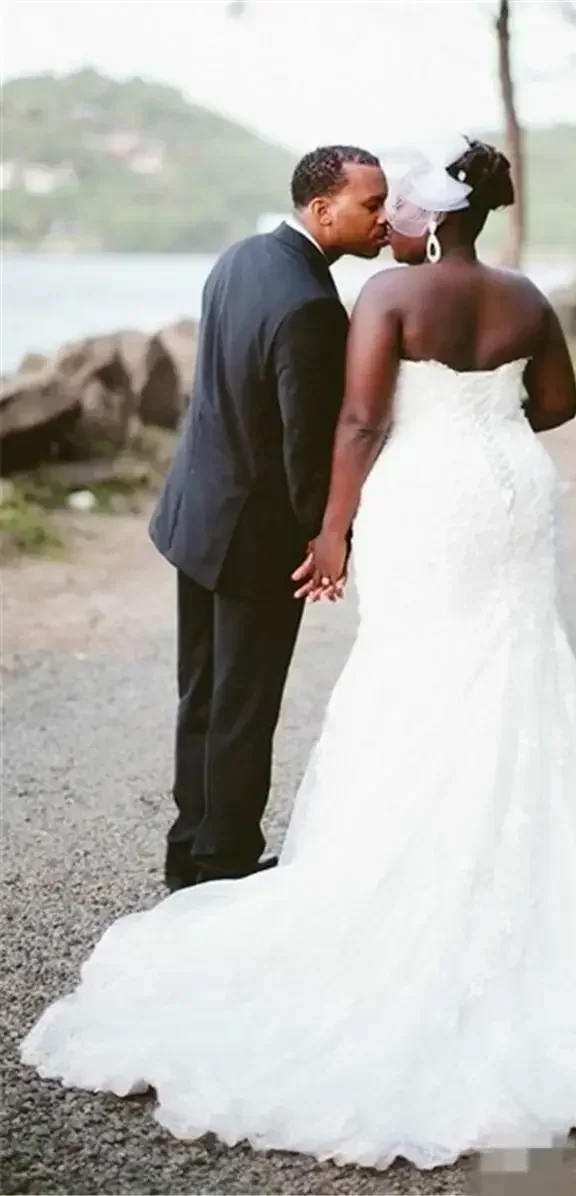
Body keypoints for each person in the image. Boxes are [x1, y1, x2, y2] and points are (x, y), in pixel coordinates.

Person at [21, 137, 576, 1170]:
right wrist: (489, 420)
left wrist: (332, 529)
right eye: (370, 203)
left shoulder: (376, 299)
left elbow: (355, 420)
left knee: (408, 673)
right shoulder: (527, 295)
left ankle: (294, 857)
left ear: (429, 214)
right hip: (509, 494)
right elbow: (559, 406)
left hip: (421, 501)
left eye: (393, 204)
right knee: (513, 669)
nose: (384, 217)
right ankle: (497, 878)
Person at [147, 146, 388, 889]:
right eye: (371, 205)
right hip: (254, 537)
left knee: (205, 695)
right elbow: (304, 445)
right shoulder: (312, 307)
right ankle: (224, 865)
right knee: (245, 706)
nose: (384, 220)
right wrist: (329, 537)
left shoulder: (241, 257)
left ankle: (189, 851)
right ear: (323, 210)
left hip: (196, 514)